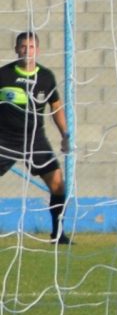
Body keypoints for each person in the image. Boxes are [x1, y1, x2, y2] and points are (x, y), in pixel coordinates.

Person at [1, 29, 70, 244]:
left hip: (34, 140)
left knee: (58, 183)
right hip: (4, 140)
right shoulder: (3, 75)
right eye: (23, 46)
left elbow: (56, 107)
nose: (27, 51)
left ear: (37, 50)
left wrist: (65, 135)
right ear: (16, 50)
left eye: (31, 47)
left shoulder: (46, 77)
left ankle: (58, 234)